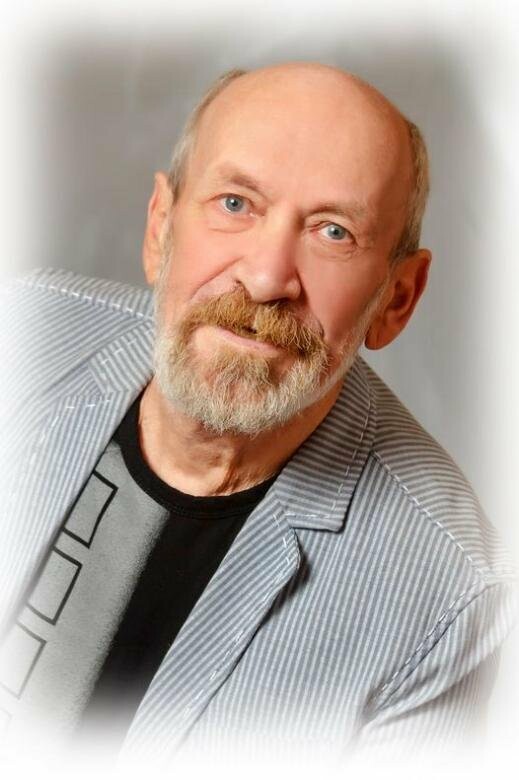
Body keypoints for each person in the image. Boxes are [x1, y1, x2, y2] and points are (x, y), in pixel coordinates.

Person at [0, 63, 515, 766]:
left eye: (333, 232)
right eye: (236, 203)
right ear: (159, 229)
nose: (267, 278)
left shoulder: (448, 596)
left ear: (396, 299)